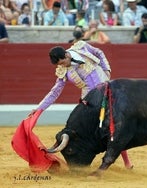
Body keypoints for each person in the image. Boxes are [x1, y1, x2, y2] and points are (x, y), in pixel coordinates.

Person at [28, 40, 133, 169]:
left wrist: (106, 69)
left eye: (62, 62)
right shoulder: (63, 71)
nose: (62, 66)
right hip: (90, 102)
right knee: (95, 132)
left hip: (108, 92)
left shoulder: (81, 47)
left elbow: (99, 52)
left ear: (66, 55)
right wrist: (39, 109)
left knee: (114, 126)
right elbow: (54, 92)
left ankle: (127, 162)